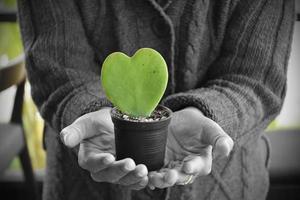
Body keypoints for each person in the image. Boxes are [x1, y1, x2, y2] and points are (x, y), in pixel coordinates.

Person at [17, 0, 295, 199]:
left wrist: (207, 114)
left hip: (226, 187)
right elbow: (54, 67)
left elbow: (257, 79)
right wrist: (90, 109)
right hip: (82, 187)